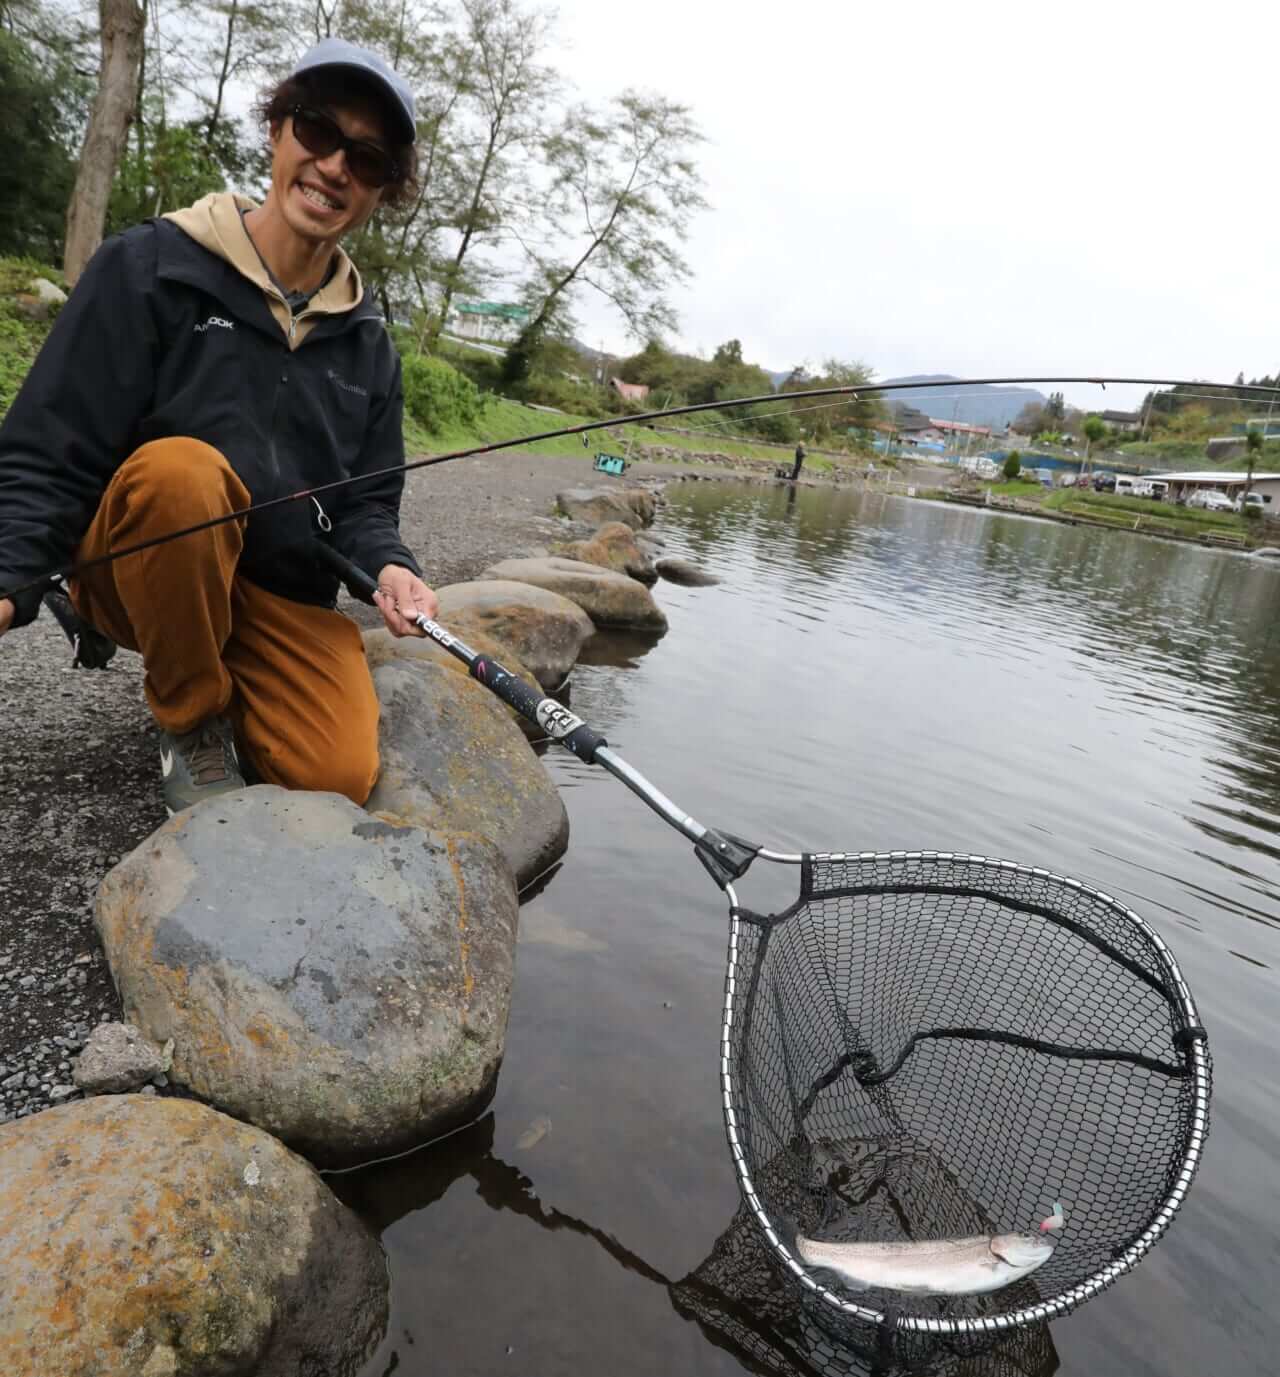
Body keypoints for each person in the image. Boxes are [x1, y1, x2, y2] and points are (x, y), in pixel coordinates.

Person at [0, 38, 437, 815]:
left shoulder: (371, 347)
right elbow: (48, 448)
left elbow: (369, 505)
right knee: (183, 473)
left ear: (380, 192)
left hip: (272, 594)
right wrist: (9, 576)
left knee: (334, 773)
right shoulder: (150, 265)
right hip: (136, 558)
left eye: (367, 160)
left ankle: (218, 662)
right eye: (318, 129)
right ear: (277, 130)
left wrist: (391, 565)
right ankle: (191, 715)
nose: (335, 166)